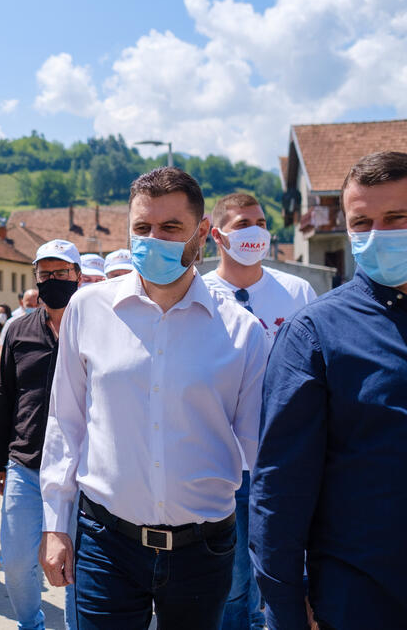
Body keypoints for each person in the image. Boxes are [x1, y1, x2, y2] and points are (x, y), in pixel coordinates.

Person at [39, 167, 270, 629]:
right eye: (142, 228)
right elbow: (66, 422)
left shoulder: (242, 332)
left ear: (202, 233)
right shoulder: (89, 309)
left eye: (170, 228)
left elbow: (261, 454)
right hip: (107, 540)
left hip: (204, 548)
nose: (153, 240)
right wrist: (54, 524)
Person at [250, 151, 407, 630]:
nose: (378, 234)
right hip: (361, 595)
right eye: (363, 222)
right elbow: (280, 482)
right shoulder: (316, 333)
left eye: (397, 218)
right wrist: (285, 602)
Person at [203, 192, 316, 630]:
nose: (256, 231)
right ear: (217, 236)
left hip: (285, 459)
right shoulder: (200, 293)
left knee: (284, 577)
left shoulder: (296, 291)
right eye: (242, 224)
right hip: (225, 464)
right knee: (232, 587)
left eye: (262, 222)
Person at [0, 239, 82, 630]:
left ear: (78, 276)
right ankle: (31, 623)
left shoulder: (96, 325)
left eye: (62, 273)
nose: (54, 280)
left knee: (81, 559)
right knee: (15, 560)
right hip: (26, 463)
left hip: (83, 467)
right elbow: (4, 396)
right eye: (46, 274)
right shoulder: (18, 330)